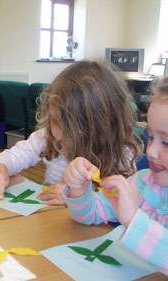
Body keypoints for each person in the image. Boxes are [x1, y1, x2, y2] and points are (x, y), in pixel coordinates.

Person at [0, 60, 140, 201]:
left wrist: (73, 197)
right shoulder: (48, 137)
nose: (59, 133)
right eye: (55, 121)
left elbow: (122, 200)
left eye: (72, 128)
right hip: (51, 223)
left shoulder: (121, 153)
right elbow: (14, 156)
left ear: (101, 126)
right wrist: (0, 168)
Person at [63, 77, 168, 275]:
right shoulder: (142, 182)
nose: (151, 151)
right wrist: (79, 188)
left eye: (167, 143)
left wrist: (133, 220)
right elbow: (89, 215)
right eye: (151, 137)